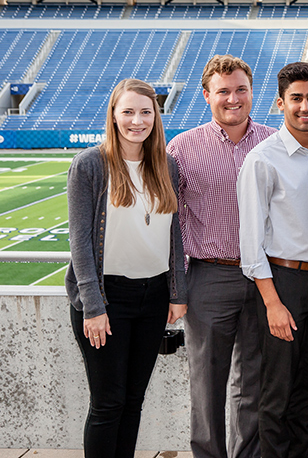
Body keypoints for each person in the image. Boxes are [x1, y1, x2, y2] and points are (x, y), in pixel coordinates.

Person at [66, 78, 187, 458]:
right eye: (128, 112)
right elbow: (80, 242)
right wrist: (94, 307)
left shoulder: (166, 164)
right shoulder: (90, 165)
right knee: (108, 403)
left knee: (133, 400)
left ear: (156, 116)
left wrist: (176, 292)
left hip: (152, 297)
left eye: (146, 112)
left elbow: (174, 233)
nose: (138, 120)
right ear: (114, 116)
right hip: (107, 297)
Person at [167, 55, 274, 458]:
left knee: (254, 385)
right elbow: (169, 224)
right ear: (207, 95)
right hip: (210, 277)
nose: (233, 98)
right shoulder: (182, 148)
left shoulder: (273, 142)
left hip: (265, 277)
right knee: (206, 384)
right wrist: (175, 287)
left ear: (252, 91)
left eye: (241, 89)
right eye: (223, 91)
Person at [238, 61, 308, 458]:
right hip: (283, 284)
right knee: (276, 395)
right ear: (279, 104)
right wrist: (273, 304)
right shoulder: (262, 159)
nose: (305, 107)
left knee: (306, 391)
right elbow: (250, 243)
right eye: (295, 99)